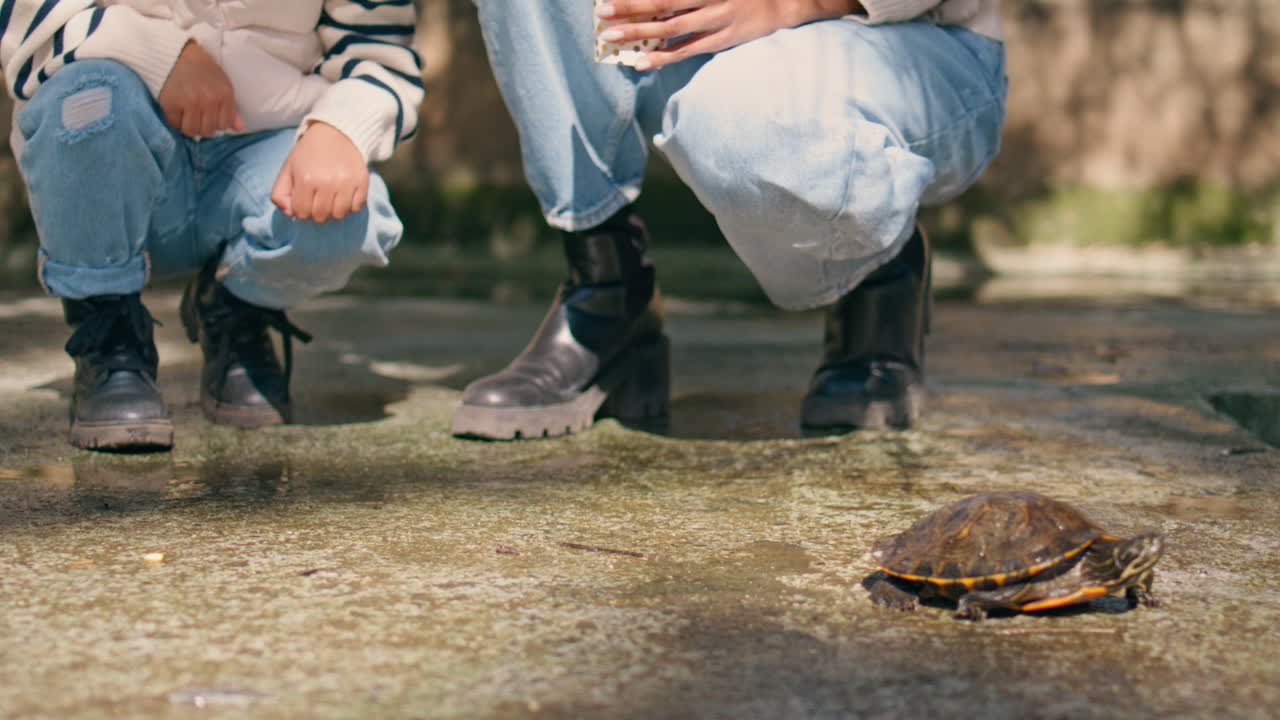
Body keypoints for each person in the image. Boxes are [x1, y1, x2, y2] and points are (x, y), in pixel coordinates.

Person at [454, 0, 1006, 439]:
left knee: (743, 122)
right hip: (696, 43)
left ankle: (879, 267)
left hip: (909, 40)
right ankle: (605, 283)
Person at [2, 1, 423, 451]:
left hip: (264, 149)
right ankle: (109, 331)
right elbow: (27, 15)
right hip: (123, 146)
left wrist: (340, 127)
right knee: (85, 101)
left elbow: (380, 51)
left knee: (354, 220)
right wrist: (162, 56)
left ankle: (234, 307)